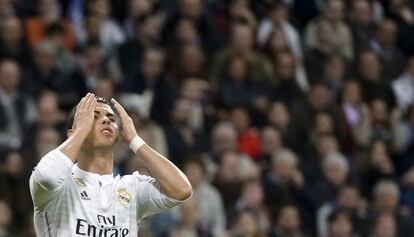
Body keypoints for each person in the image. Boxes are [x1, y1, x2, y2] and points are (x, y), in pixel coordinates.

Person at [29, 93, 192, 236]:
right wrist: (79, 133)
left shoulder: (131, 187)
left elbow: (181, 190)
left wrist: (135, 141)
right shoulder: (61, 184)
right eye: (94, 116)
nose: (106, 120)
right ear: (74, 132)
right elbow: (46, 177)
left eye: (111, 118)